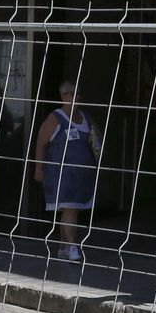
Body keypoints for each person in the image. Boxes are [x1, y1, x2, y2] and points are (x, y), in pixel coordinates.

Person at [34, 80, 101, 262]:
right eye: (73, 93)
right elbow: (41, 143)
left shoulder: (85, 117)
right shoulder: (55, 118)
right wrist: (38, 167)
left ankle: (63, 247)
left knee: (73, 210)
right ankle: (72, 246)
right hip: (61, 173)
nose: (77, 97)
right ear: (63, 96)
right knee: (70, 208)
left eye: (79, 93)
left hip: (82, 174)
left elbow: (97, 139)